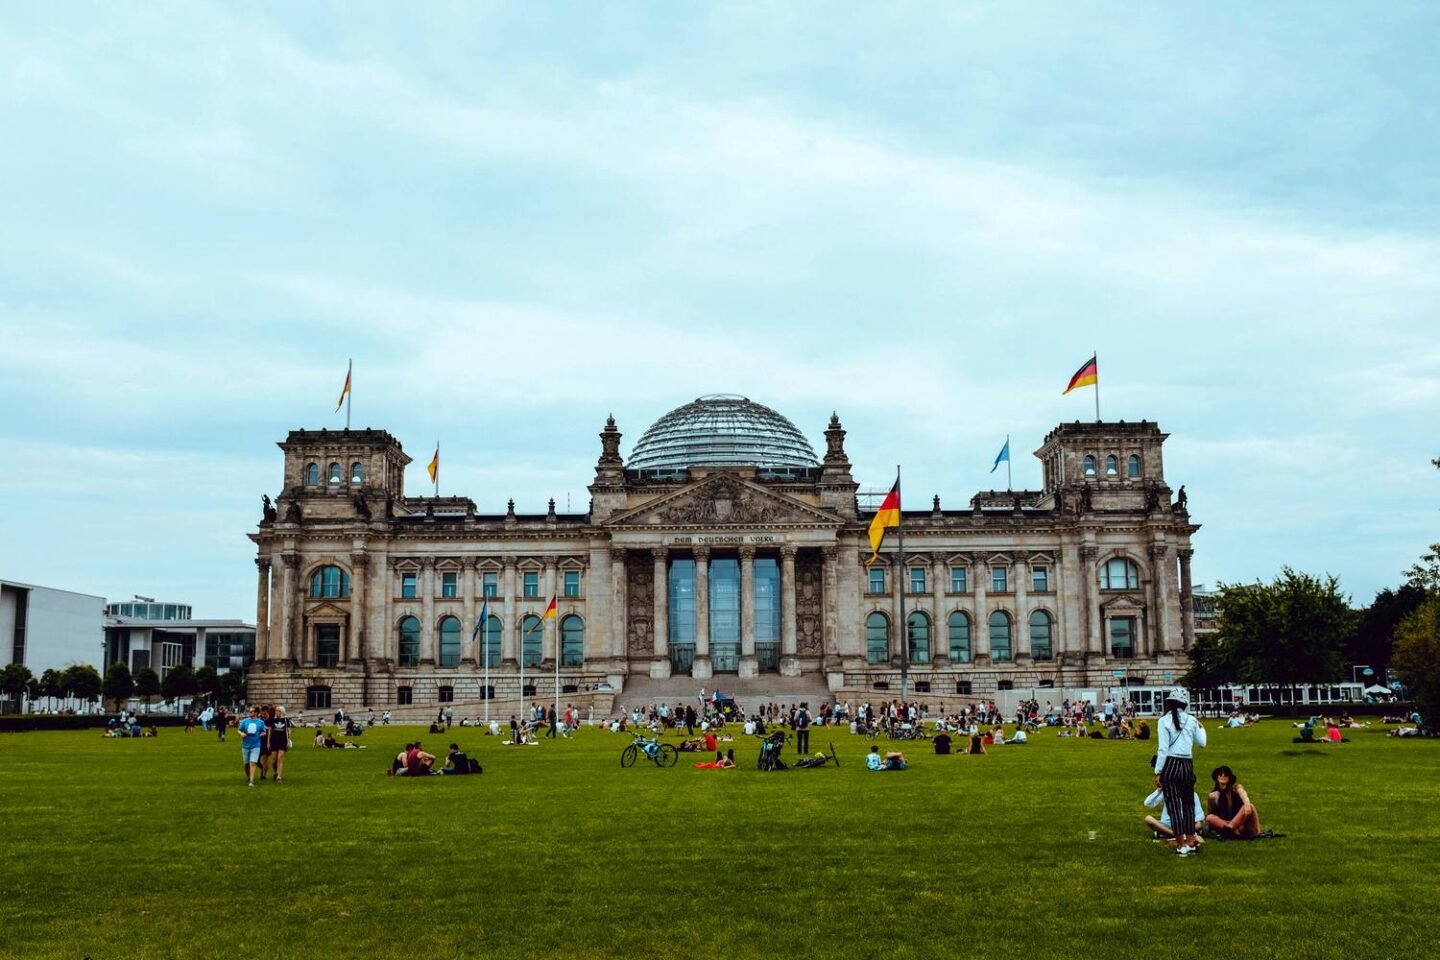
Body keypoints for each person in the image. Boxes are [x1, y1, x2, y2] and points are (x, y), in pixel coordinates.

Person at [1154, 689, 1206, 856]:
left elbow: (1163, 749)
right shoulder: (1192, 720)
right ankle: (1191, 841)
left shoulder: (1163, 721)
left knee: (1174, 806)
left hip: (1171, 764)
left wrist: (1158, 771)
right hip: (1187, 764)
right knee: (1189, 804)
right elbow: (1202, 743)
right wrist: (1202, 727)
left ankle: (1180, 844)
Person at [1206, 766, 1262, 839]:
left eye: (1225, 774)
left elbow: (1243, 795)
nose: (1223, 776)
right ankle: (1232, 830)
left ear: (1230, 778)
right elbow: (1212, 816)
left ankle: (1229, 829)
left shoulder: (1236, 788)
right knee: (1210, 818)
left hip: (1244, 824)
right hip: (1229, 824)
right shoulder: (1213, 796)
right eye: (1220, 774)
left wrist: (1247, 803)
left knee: (1249, 806)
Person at [237, 707, 267, 787]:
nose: (250, 713)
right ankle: (248, 777)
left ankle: (251, 781)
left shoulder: (260, 722)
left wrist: (262, 734)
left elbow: (264, 731)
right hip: (245, 745)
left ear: (256, 713)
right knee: (246, 764)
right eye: (249, 711)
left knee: (253, 763)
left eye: (252, 711)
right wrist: (241, 734)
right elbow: (239, 730)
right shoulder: (245, 721)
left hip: (256, 745)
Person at [268, 706, 292, 782]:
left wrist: (288, 740)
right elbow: (270, 732)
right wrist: (268, 742)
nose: (277, 712)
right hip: (274, 741)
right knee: (274, 760)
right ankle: (276, 772)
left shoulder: (286, 720)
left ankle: (279, 776)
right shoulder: (272, 720)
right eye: (276, 711)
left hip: (283, 741)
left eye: (278, 711)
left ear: (282, 712)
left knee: (280, 758)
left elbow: (289, 731)